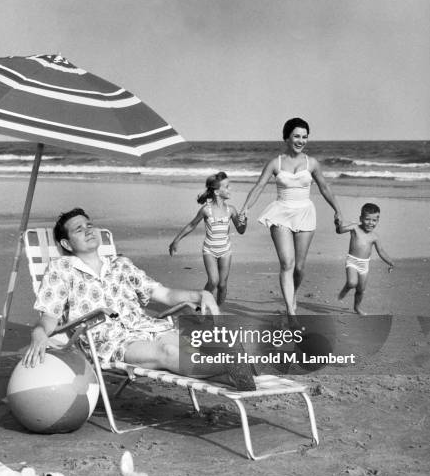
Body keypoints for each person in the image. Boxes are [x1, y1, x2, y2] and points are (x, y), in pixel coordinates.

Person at [22, 208, 257, 390]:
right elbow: (49, 318)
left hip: (147, 326)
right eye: (79, 229)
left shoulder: (120, 264)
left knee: (194, 344)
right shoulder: (61, 269)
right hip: (111, 340)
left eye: (89, 225)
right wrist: (39, 334)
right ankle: (235, 369)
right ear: (66, 243)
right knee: (168, 352)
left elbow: (162, 293)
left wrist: (200, 294)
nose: (88, 230)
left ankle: (231, 373)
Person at [239, 118, 342, 316]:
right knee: (287, 262)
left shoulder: (311, 163)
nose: (301, 140)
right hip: (281, 213)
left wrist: (337, 210)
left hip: (305, 213)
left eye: (304, 137)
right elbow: (259, 186)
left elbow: (324, 187)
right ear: (287, 137)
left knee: (300, 267)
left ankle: (292, 295)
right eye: (296, 136)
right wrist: (246, 208)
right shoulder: (275, 163)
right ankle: (290, 311)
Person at [169, 172, 247, 306]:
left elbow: (241, 230)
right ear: (217, 192)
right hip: (209, 250)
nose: (230, 189)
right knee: (213, 281)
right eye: (227, 187)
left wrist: (244, 220)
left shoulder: (231, 210)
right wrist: (176, 240)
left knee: (222, 285)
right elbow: (191, 225)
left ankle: (217, 311)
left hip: (225, 251)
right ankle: (201, 306)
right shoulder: (206, 210)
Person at [336, 202, 394, 315]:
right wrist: (337, 223)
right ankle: (346, 287)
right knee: (352, 282)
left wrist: (390, 262)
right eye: (367, 219)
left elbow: (381, 251)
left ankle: (357, 307)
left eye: (374, 220)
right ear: (361, 218)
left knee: (360, 290)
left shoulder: (375, 236)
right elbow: (339, 231)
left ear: (378, 221)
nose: (370, 223)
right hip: (352, 261)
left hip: (364, 265)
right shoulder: (355, 228)